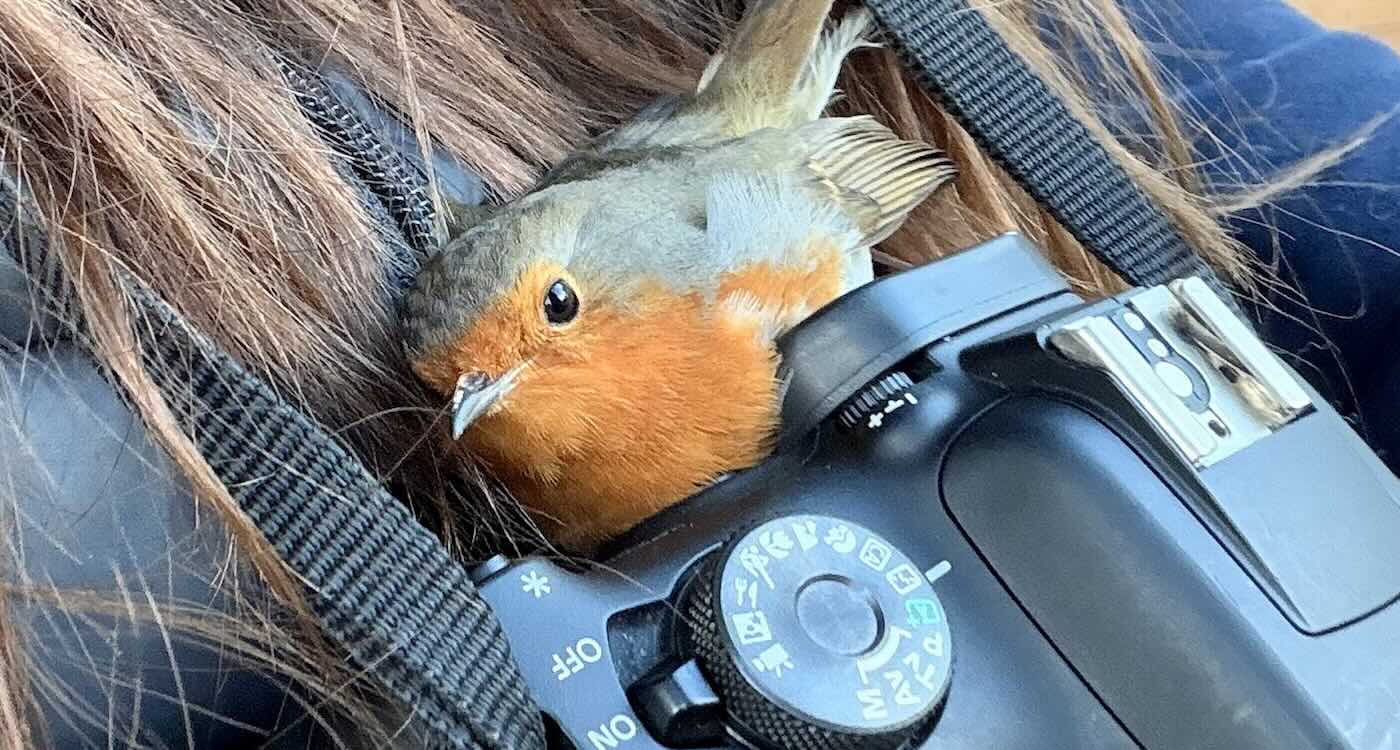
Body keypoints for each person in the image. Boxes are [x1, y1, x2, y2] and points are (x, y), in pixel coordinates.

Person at [0, 0, 1396, 746]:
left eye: (547, 320)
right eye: (455, 388)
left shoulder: (711, 314)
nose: (479, 397)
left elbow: (846, 188)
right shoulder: (495, 420)